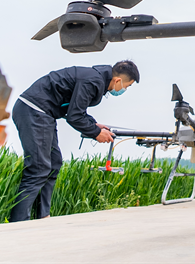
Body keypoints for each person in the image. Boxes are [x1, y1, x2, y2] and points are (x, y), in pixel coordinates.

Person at [8, 60, 139, 222]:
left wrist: (93, 124)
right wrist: (96, 133)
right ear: (118, 80)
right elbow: (74, 116)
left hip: (43, 114)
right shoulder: (93, 80)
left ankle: (43, 216)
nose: (125, 90)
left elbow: (75, 109)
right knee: (39, 168)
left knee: (54, 163)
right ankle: (18, 222)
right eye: (127, 86)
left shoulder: (96, 79)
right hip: (34, 111)